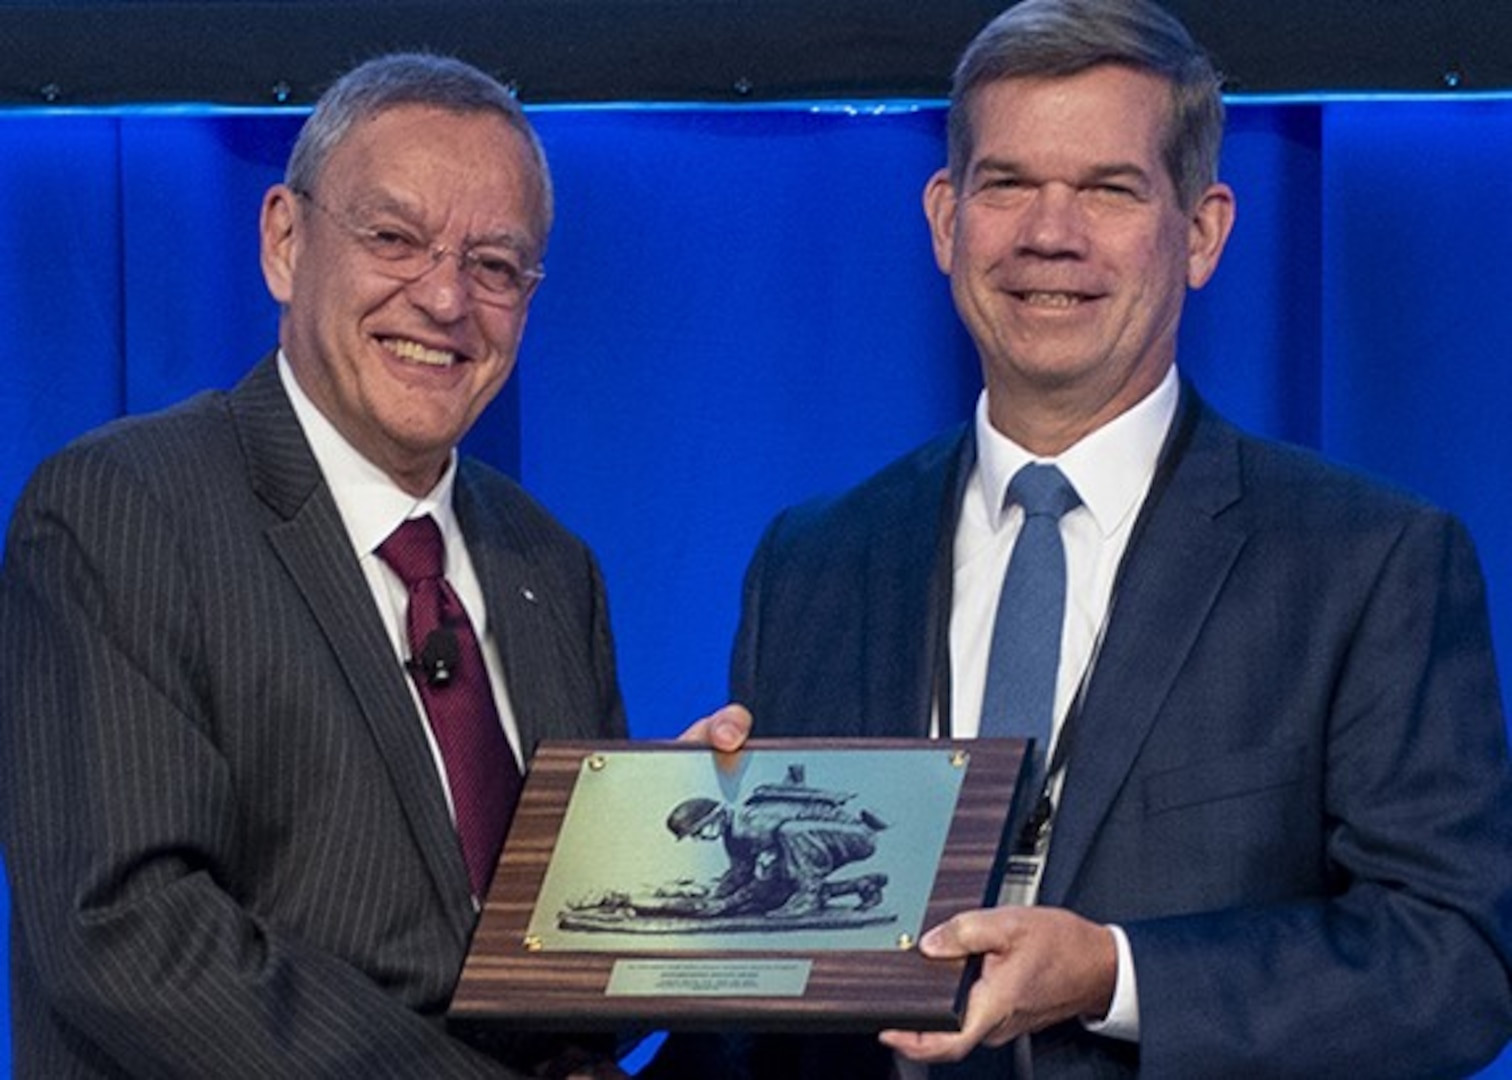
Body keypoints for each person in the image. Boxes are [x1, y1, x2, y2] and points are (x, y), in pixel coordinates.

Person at [650, 1, 1512, 1077]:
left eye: (1108, 189)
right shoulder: (813, 561)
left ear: (1201, 232)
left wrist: (1115, 973)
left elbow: (1452, 963)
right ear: (944, 217)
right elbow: (754, 998)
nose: (1048, 234)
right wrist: (668, 869)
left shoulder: (1370, 563)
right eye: (1007, 183)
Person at [0, 53, 745, 1079]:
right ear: (284, 241)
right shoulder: (123, 512)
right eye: (394, 238)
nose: (444, 298)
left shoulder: (549, 564)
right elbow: (128, 935)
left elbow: (560, 987)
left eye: (494, 265)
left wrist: (679, 852)